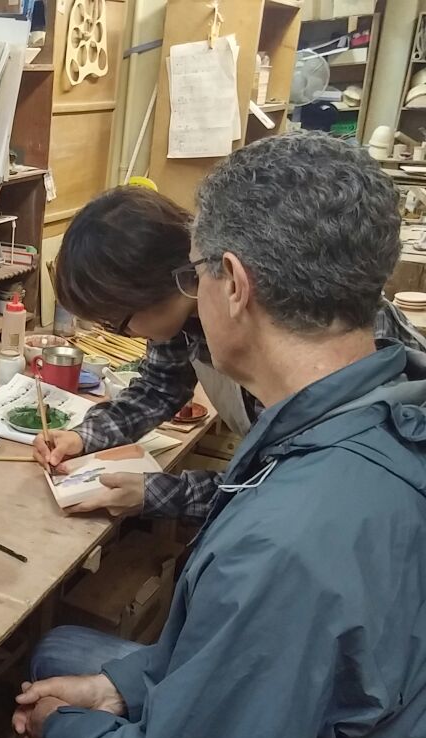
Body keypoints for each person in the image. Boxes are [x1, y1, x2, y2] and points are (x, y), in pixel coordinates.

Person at [0, 132, 426, 738]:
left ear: (233, 283)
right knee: (64, 655)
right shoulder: (360, 390)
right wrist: (120, 689)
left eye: (197, 270)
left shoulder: (286, 542)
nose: (192, 287)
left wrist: (65, 731)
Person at [33, 183, 426, 522]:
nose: (124, 333)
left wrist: (159, 494)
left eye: (119, 321)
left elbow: (283, 487)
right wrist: (84, 437)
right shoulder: (187, 305)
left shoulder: (310, 336)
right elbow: (160, 388)